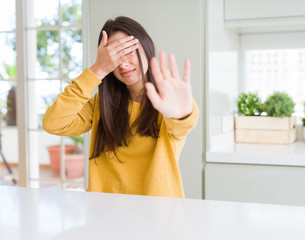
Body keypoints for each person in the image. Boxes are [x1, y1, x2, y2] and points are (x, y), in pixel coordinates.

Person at [43, 16, 198, 198]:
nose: (123, 64)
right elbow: (53, 123)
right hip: (105, 215)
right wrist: (98, 70)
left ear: (146, 47)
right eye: (115, 56)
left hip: (157, 218)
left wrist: (181, 115)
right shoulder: (101, 104)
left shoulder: (167, 103)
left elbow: (183, 122)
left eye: (129, 51)